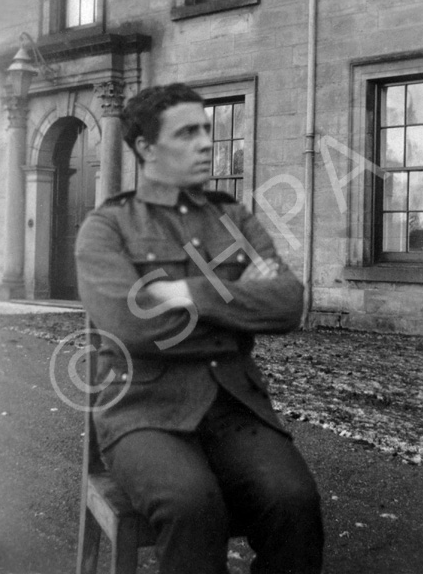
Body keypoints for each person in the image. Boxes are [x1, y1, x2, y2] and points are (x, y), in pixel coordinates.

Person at [75, 83, 324, 574]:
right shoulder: (107, 227)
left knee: (294, 501)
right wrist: (238, 304)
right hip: (142, 412)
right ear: (146, 148)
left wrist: (190, 294)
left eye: (206, 129)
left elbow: (288, 304)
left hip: (234, 404)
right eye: (187, 132)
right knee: (192, 507)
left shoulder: (233, 217)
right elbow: (130, 325)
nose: (207, 142)